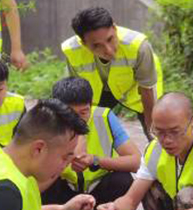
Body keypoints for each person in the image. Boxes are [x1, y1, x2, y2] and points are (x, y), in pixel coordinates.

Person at [40, 77, 140, 210]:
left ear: (91, 104)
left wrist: (96, 160)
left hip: (97, 199)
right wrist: (68, 159)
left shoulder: (104, 117)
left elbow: (135, 161)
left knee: (122, 178)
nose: (77, 120)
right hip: (63, 197)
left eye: (84, 112)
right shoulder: (46, 121)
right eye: (70, 113)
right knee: (41, 180)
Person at [61, 7, 163, 136]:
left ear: (114, 28)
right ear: (84, 43)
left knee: (156, 129)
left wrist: (152, 132)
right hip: (98, 93)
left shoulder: (138, 46)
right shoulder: (72, 50)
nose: (108, 50)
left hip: (135, 89)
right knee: (89, 131)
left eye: (110, 39)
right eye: (96, 45)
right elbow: (75, 95)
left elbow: (147, 89)